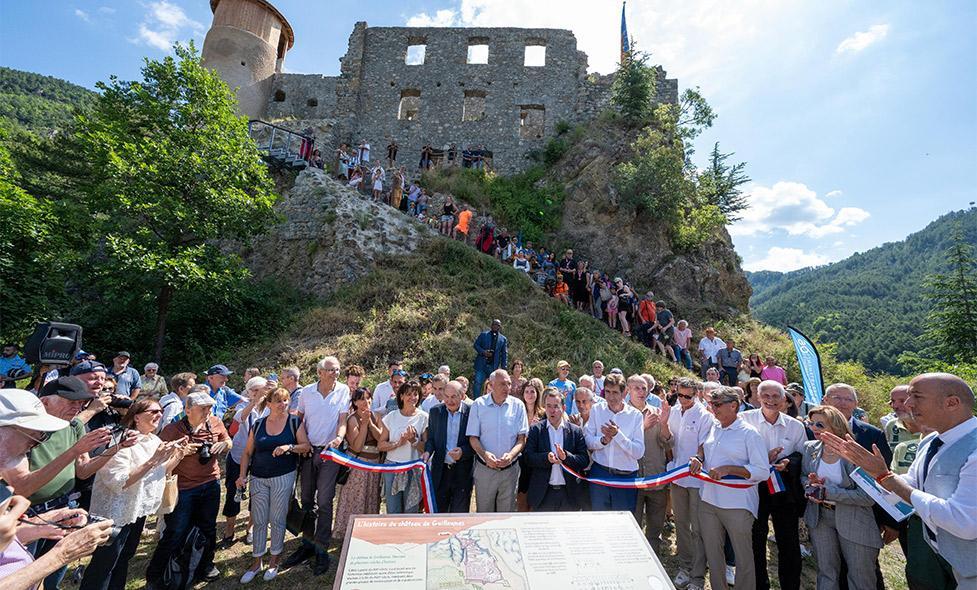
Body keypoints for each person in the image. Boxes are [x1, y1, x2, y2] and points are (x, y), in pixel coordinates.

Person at [823, 373, 977, 589]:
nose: (907, 404)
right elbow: (909, 485)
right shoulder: (931, 441)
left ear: (952, 403)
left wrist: (886, 477)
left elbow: (963, 522)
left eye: (917, 397)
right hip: (944, 558)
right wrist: (868, 472)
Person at [80, 397, 190, 590]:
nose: (159, 415)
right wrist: (154, 460)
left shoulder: (154, 440)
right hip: (114, 513)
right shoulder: (122, 440)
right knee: (104, 564)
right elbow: (119, 481)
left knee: (124, 558)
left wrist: (179, 455)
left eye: (160, 411)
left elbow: (159, 472)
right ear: (136, 417)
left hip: (136, 510)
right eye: (153, 412)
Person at [145, 391, 231, 587]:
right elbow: (158, 459)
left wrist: (223, 444)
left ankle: (205, 565)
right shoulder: (173, 429)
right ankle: (156, 575)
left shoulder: (215, 422)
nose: (208, 412)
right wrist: (180, 452)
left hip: (210, 483)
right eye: (203, 409)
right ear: (188, 410)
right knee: (175, 531)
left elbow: (229, 441)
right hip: (183, 488)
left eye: (210, 407)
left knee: (208, 527)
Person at [689, 386, 769, 590]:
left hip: (737, 504)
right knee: (713, 553)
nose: (713, 409)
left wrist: (729, 469)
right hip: (708, 500)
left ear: (734, 405)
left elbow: (762, 471)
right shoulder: (714, 426)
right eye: (711, 404)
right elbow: (704, 447)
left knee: (743, 557)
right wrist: (699, 458)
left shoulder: (750, 434)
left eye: (717, 404)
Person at [802, 405, 881, 590]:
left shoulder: (857, 453)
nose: (814, 428)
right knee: (826, 573)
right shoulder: (810, 448)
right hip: (820, 518)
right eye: (811, 423)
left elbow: (867, 497)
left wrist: (826, 492)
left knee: (860, 577)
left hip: (855, 519)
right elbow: (804, 476)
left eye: (820, 424)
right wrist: (811, 485)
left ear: (836, 426)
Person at [284, 356, 350, 576]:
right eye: (331, 370)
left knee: (324, 500)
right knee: (306, 499)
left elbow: (342, 421)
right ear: (320, 372)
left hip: (330, 453)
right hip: (309, 451)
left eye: (338, 370)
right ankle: (307, 544)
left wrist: (339, 438)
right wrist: (301, 443)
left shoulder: (343, 391)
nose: (335, 373)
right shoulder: (306, 393)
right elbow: (298, 420)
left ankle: (321, 547)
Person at [236, 387, 310, 583]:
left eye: (285, 400)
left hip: (283, 476)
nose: (283, 404)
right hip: (258, 477)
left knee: (277, 519)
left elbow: (306, 446)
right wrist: (242, 475)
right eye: (278, 401)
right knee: (259, 519)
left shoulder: (295, 422)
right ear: (268, 404)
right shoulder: (258, 424)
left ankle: (274, 561)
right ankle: (256, 561)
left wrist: (289, 447)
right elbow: (246, 453)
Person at [740, 381, 808, 590]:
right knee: (755, 540)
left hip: (783, 489)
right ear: (758, 397)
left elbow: (802, 455)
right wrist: (761, 459)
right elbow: (734, 451)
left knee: (788, 541)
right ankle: (760, 584)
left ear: (784, 400)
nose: (770, 400)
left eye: (775, 396)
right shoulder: (744, 420)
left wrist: (789, 463)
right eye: (766, 396)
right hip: (754, 488)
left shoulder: (795, 426)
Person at [667, 378, 712, 590]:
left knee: (697, 527)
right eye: (680, 395)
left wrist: (699, 458)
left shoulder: (704, 415)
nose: (683, 399)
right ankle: (685, 565)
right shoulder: (674, 411)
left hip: (696, 478)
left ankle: (698, 574)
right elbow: (670, 440)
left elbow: (703, 444)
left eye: (688, 396)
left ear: (697, 395)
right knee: (681, 523)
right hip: (676, 476)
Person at [466, 369, 529, 512]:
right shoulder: (478, 405)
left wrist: (511, 455)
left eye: (508, 384)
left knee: (506, 516)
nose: (507, 388)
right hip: (485, 469)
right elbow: (473, 438)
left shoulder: (518, 405)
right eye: (502, 384)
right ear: (491, 385)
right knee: (484, 514)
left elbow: (521, 439)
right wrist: (484, 454)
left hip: (510, 470)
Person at [220, 377, 270, 548]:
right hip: (238, 455)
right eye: (253, 390)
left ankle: (250, 529)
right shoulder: (242, 406)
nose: (256, 393)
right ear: (248, 391)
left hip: (260, 457)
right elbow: (239, 419)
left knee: (258, 494)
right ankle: (229, 530)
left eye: (260, 389)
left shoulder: (269, 408)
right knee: (233, 492)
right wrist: (253, 402)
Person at [583, 373, 644, 511]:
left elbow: (639, 452)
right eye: (608, 392)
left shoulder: (635, 416)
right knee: (599, 521)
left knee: (622, 525)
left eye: (615, 392)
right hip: (600, 473)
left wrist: (618, 435)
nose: (610, 397)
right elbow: (588, 440)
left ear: (624, 393)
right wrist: (603, 441)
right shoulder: (597, 410)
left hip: (625, 477)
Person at [523, 388, 589, 511]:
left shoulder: (575, 431)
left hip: (569, 495)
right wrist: (546, 458)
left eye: (556, 406)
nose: (552, 410)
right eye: (548, 406)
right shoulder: (536, 430)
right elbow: (528, 458)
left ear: (563, 408)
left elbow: (584, 460)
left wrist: (566, 457)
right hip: (543, 494)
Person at [630, 377, 673, 554]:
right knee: (633, 527)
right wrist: (643, 427)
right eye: (636, 388)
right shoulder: (623, 414)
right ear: (628, 390)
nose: (641, 391)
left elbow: (668, 443)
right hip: (632, 481)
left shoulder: (657, 412)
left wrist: (663, 424)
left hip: (656, 478)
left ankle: (654, 561)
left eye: (644, 388)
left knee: (655, 529)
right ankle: (635, 560)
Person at [378, 380, 429, 513]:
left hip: (413, 468)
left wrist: (414, 441)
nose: (412, 398)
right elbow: (381, 445)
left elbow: (427, 448)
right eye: (409, 394)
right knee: (393, 509)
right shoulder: (391, 417)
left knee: (411, 509)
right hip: (392, 468)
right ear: (401, 396)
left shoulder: (424, 418)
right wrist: (397, 444)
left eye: (415, 394)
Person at [424, 380, 474, 512]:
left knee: (459, 515)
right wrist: (427, 452)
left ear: (462, 395)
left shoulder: (472, 412)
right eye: (446, 396)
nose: (449, 401)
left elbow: (476, 442)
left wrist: (463, 452)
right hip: (441, 472)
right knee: (439, 515)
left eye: (453, 397)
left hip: (462, 472)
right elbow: (432, 440)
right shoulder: (435, 412)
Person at [472, 319, 508, 401]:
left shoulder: (503, 339)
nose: (496, 326)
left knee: (493, 385)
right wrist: (483, 352)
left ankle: (491, 401)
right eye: (494, 324)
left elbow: (504, 354)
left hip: (493, 366)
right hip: (481, 365)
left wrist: (504, 368)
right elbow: (476, 345)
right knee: (478, 383)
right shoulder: (483, 335)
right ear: (491, 325)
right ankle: (476, 401)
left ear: (500, 327)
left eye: (498, 325)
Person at [884, 385, 916, 452]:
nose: (895, 406)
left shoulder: (931, 426)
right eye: (893, 401)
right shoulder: (891, 426)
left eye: (902, 401)